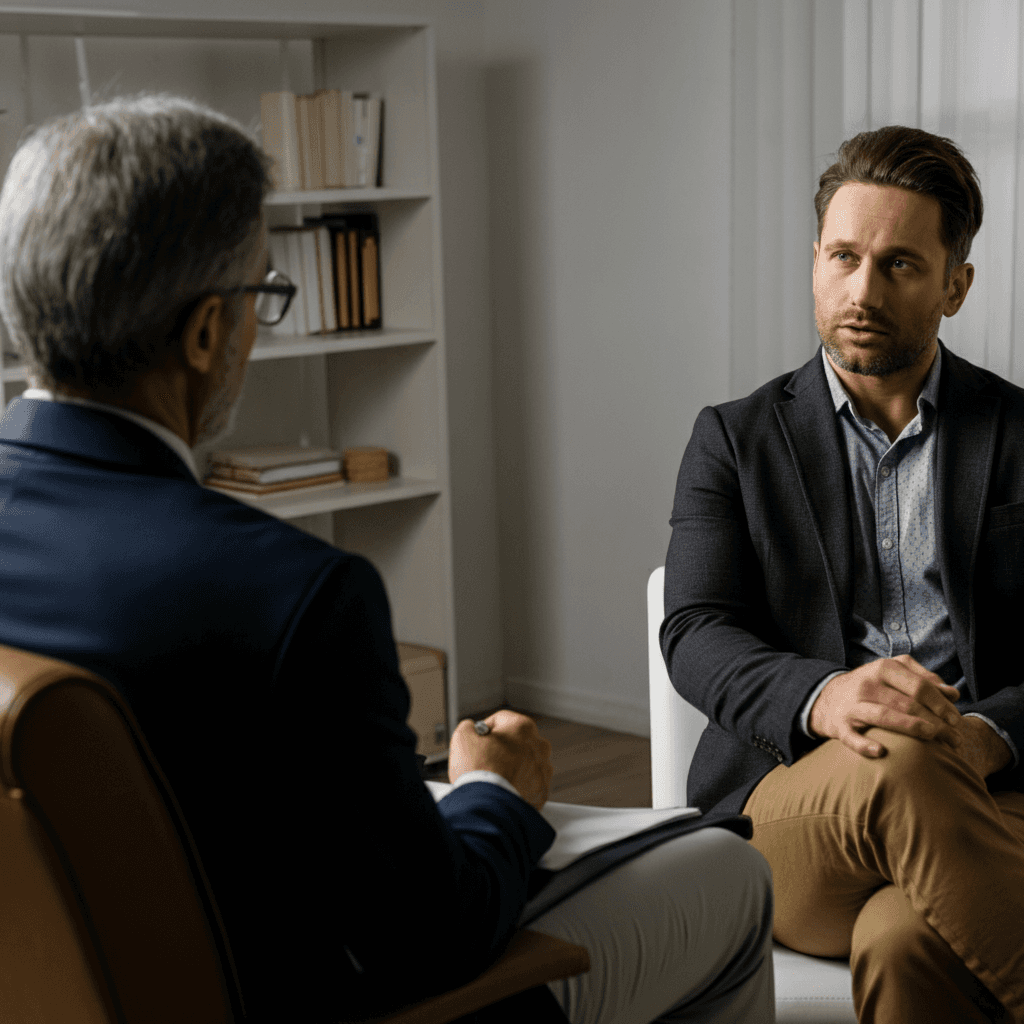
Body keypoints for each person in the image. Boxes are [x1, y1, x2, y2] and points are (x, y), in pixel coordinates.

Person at [0, 95, 775, 1024]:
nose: (257, 327)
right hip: (339, 995)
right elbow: (432, 934)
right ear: (206, 333)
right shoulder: (288, 592)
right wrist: (497, 794)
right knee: (729, 873)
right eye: (262, 297)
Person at [664, 123, 1024, 1024]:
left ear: (956, 284)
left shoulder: (1019, 433)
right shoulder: (733, 439)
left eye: (899, 264)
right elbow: (694, 631)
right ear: (815, 260)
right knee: (901, 749)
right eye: (843, 256)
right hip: (795, 810)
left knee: (906, 944)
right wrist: (826, 697)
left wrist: (986, 736)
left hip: (985, 794)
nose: (861, 290)